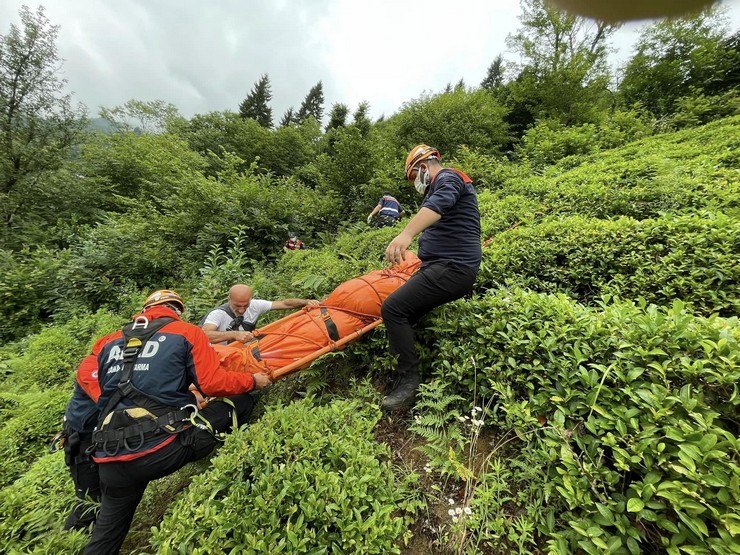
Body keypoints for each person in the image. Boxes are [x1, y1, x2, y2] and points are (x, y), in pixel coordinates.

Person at [81, 290, 271, 554]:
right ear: (177, 311)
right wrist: (252, 381)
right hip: (161, 451)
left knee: (106, 535)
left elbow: (113, 388)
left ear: (144, 310)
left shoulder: (110, 343)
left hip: (109, 458)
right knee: (242, 401)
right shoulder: (186, 332)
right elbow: (213, 383)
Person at [380, 145, 481, 411]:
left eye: (413, 176)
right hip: (443, 266)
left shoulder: (448, 178)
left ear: (424, 166)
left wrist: (406, 234)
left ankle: (408, 383)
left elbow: (438, 206)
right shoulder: (440, 186)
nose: (415, 183)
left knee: (393, 308)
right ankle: (403, 367)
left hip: (453, 267)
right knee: (405, 314)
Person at [59, 356, 102, 530]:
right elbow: (110, 398)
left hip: (102, 434)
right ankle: (72, 538)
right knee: (89, 499)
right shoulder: (92, 367)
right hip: (82, 437)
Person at [201, 284, 320, 344]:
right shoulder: (218, 314)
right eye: (237, 306)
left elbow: (285, 303)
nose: (242, 310)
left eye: (245, 305)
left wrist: (307, 302)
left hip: (244, 353)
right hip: (220, 356)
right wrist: (234, 334)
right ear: (229, 299)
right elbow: (204, 335)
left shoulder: (255, 305)